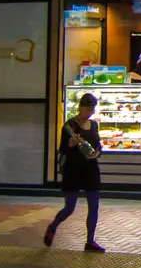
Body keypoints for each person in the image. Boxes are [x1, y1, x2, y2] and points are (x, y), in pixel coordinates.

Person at [44, 92, 104, 252]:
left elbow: (98, 145)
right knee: (69, 207)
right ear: (81, 107)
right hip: (73, 171)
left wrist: (97, 153)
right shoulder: (69, 126)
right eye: (88, 109)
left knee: (94, 206)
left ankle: (90, 241)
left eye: (93, 109)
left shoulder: (94, 125)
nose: (90, 113)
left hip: (91, 170)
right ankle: (52, 227)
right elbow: (63, 150)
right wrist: (70, 144)